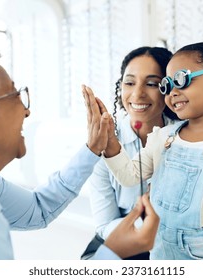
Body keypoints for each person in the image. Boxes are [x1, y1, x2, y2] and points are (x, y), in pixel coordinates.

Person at [0, 42, 159, 260]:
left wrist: (93, 148)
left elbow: (38, 209)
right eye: (14, 95)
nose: (26, 110)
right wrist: (111, 254)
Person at [83, 42, 203, 260]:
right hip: (156, 251)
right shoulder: (163, 138)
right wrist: (109, 140)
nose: (173, 92)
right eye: (167, 86)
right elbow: (129, 176)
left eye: (181, 80)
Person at [82, 46, 178, 260]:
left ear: (168, 88)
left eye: (152, 84)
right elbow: (105, 224)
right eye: (130, 82)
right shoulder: (103, 143)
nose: (137, 94)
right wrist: (146, 227)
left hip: (176, 243)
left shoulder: (184, 136)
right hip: (123, 242)